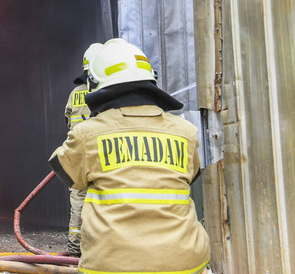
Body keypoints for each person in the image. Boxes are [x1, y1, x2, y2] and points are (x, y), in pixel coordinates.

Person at [49, 38, 210, 274]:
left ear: (94, 85)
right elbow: (191, 174)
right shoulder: (186, 132)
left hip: (111, 266)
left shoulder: (88, 133)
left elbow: (63, 169)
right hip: (185, 264)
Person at [63, 42, 102, 257]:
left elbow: (67, 123)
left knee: (78, 198)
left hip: (78, 156)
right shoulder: (109, 91)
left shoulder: (74, 94)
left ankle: (75, 247)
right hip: (101, 155)